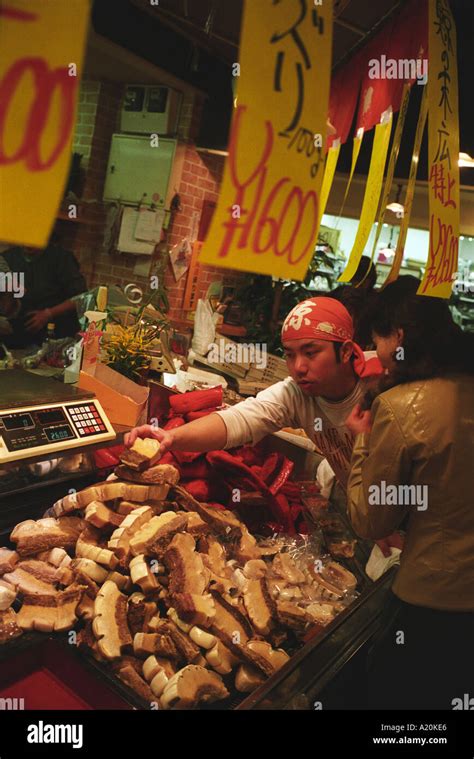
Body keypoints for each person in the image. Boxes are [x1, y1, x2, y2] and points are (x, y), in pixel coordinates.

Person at [345, 279, 474, 709]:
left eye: (376, 340)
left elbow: (371, 520)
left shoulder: (401, 407)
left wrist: (362, 441)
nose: (375, 352)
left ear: (398, 336)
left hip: (431, 604)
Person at [126, 297, 382, 488]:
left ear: (346, 351)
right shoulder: (296, 394)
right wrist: (169, 438)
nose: (298, 368)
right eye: (290, 356)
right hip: (358, 501)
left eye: (311, 353)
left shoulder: (383, 390)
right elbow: (240, 419)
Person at [0, 242, 86, 349]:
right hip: (17, 335)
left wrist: (48, 314)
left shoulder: (62, 258)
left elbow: (82, 297)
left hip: (56, 335)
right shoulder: (8, 258)